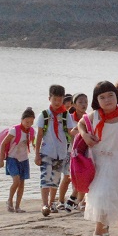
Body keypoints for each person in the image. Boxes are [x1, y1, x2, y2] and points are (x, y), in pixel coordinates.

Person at [78, 81, 118, 236]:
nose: (107, 99)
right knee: (100, 195)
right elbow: (81, 123)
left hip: (116, 161)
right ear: (97, 100)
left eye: (111, 95)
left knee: (110, 196)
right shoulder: (94, 115)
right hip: (97, 161)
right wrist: (85, 135)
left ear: (117, 96)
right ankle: (99, 230)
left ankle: (104, 227)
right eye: (102, 97)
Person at [34, 85, 77, 216]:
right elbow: (39, 135)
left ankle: (52, 202)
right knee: (45, 177)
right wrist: (36, 154)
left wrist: (81, 133)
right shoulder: (44, 115)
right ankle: (45, 204)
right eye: (55, 100)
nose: (57, 103)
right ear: (49, 98)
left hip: (62, 152)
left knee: (56, 178)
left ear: (63, 99)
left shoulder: (65, 115)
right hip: (46, 151)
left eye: (60, 100)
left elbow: (70, 132)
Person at [0, 108, 35, 213]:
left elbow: (34, 143)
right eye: (27, 122)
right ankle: (9, 201)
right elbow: (3, 144)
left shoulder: (32, 131)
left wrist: (37, 150)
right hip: (12, 158)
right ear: (22, 120)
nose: (29, 124)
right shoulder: (14, 130)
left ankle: (17, 206)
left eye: (31, 122)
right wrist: (1, 160)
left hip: (24, 159)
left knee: (22, 183)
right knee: (16, 181)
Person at [65, 93, 89, 212]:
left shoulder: (88, 117)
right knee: (72, 176)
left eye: (85, 102)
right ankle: (72, 199)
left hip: (85, 151)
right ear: (74, 104)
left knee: (84, 175)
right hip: (72, 151)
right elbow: (71, 132)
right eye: (80, 102)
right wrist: (83, 133)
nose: (84, 104)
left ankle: (78, 200)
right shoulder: (70, 117)